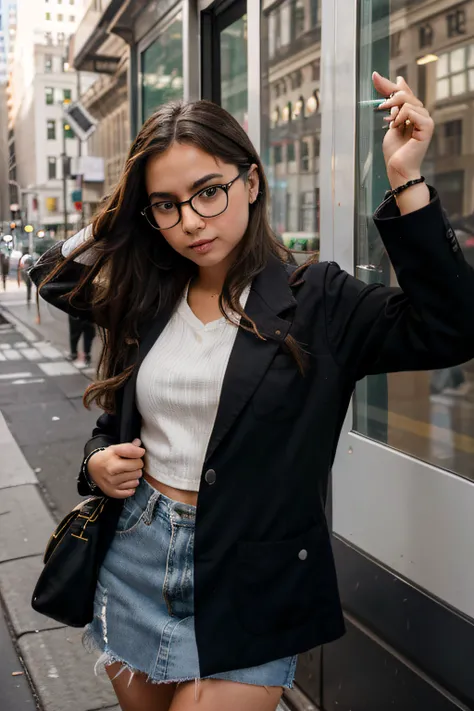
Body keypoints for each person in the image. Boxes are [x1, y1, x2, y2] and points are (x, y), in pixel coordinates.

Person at [30, 73, 474, 711]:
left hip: (253, 578)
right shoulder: (151, 297)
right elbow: (53, 277)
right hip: (136, 554)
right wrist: (99, 462)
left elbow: (452, 329)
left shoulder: (316, 297)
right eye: (166, 204)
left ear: (252, 181)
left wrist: (405, 178)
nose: (191, 221)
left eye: (209, 192)